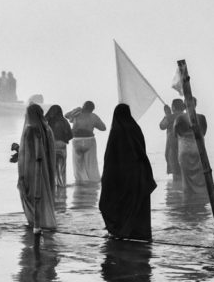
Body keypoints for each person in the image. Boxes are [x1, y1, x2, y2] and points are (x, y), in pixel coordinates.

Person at [99, 103, 156, 240]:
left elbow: (110, 158)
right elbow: (141, 151)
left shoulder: (117, 131)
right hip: (138, 174)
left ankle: (120, 231)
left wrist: (106, 178)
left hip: (121, 175)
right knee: (137, 205)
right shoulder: (135, 128)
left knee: (115, 202)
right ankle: (138, 233)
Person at [16, 103, 57, 233]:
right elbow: (43, 151)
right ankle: (45, 222)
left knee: (29, 195)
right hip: (45, 170)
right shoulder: (47, 129)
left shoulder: (30, 130)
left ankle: (35, 222)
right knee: (43, 195)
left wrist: (22, 175)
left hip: (31, 170)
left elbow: (28, 154)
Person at [174, 96, 209, 199]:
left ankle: (188, 200)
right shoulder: (201, 117)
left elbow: (176, 134)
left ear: (184, 106)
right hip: (198, 150)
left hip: (184, 150)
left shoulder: (179, 118)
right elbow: (204, 132)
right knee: (200, 178)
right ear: (196, 105)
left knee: (186, 178)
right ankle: (200, 200)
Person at [65, 101, 107, 184]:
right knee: (91, 164)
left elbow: (66, 115)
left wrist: (75, 110)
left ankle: (80, 183)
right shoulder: (94, 116)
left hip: (77, 140)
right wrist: (93, 124)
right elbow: (103, 128)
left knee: (77, 164)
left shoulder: (76, 114)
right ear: (92, 109)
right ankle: (93, 183)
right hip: (89, 140)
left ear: (83, 107)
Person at [44, 104, 73, 188]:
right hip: (62, 145)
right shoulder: (64, 121)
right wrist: (64, 139)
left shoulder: (48, 122)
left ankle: (52, 185)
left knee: (52, 167)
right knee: (62, 167)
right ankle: (62, 185)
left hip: (51, 145)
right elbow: (71, 135)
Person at [159, 98, 186, 181]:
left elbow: (162, 126)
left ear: (173, 107)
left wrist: (167, 114)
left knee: (176, 174)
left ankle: (176, 192)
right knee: (185, 174)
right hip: (186, 146)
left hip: (173, 147)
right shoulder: (186, 116)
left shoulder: (170, 117)